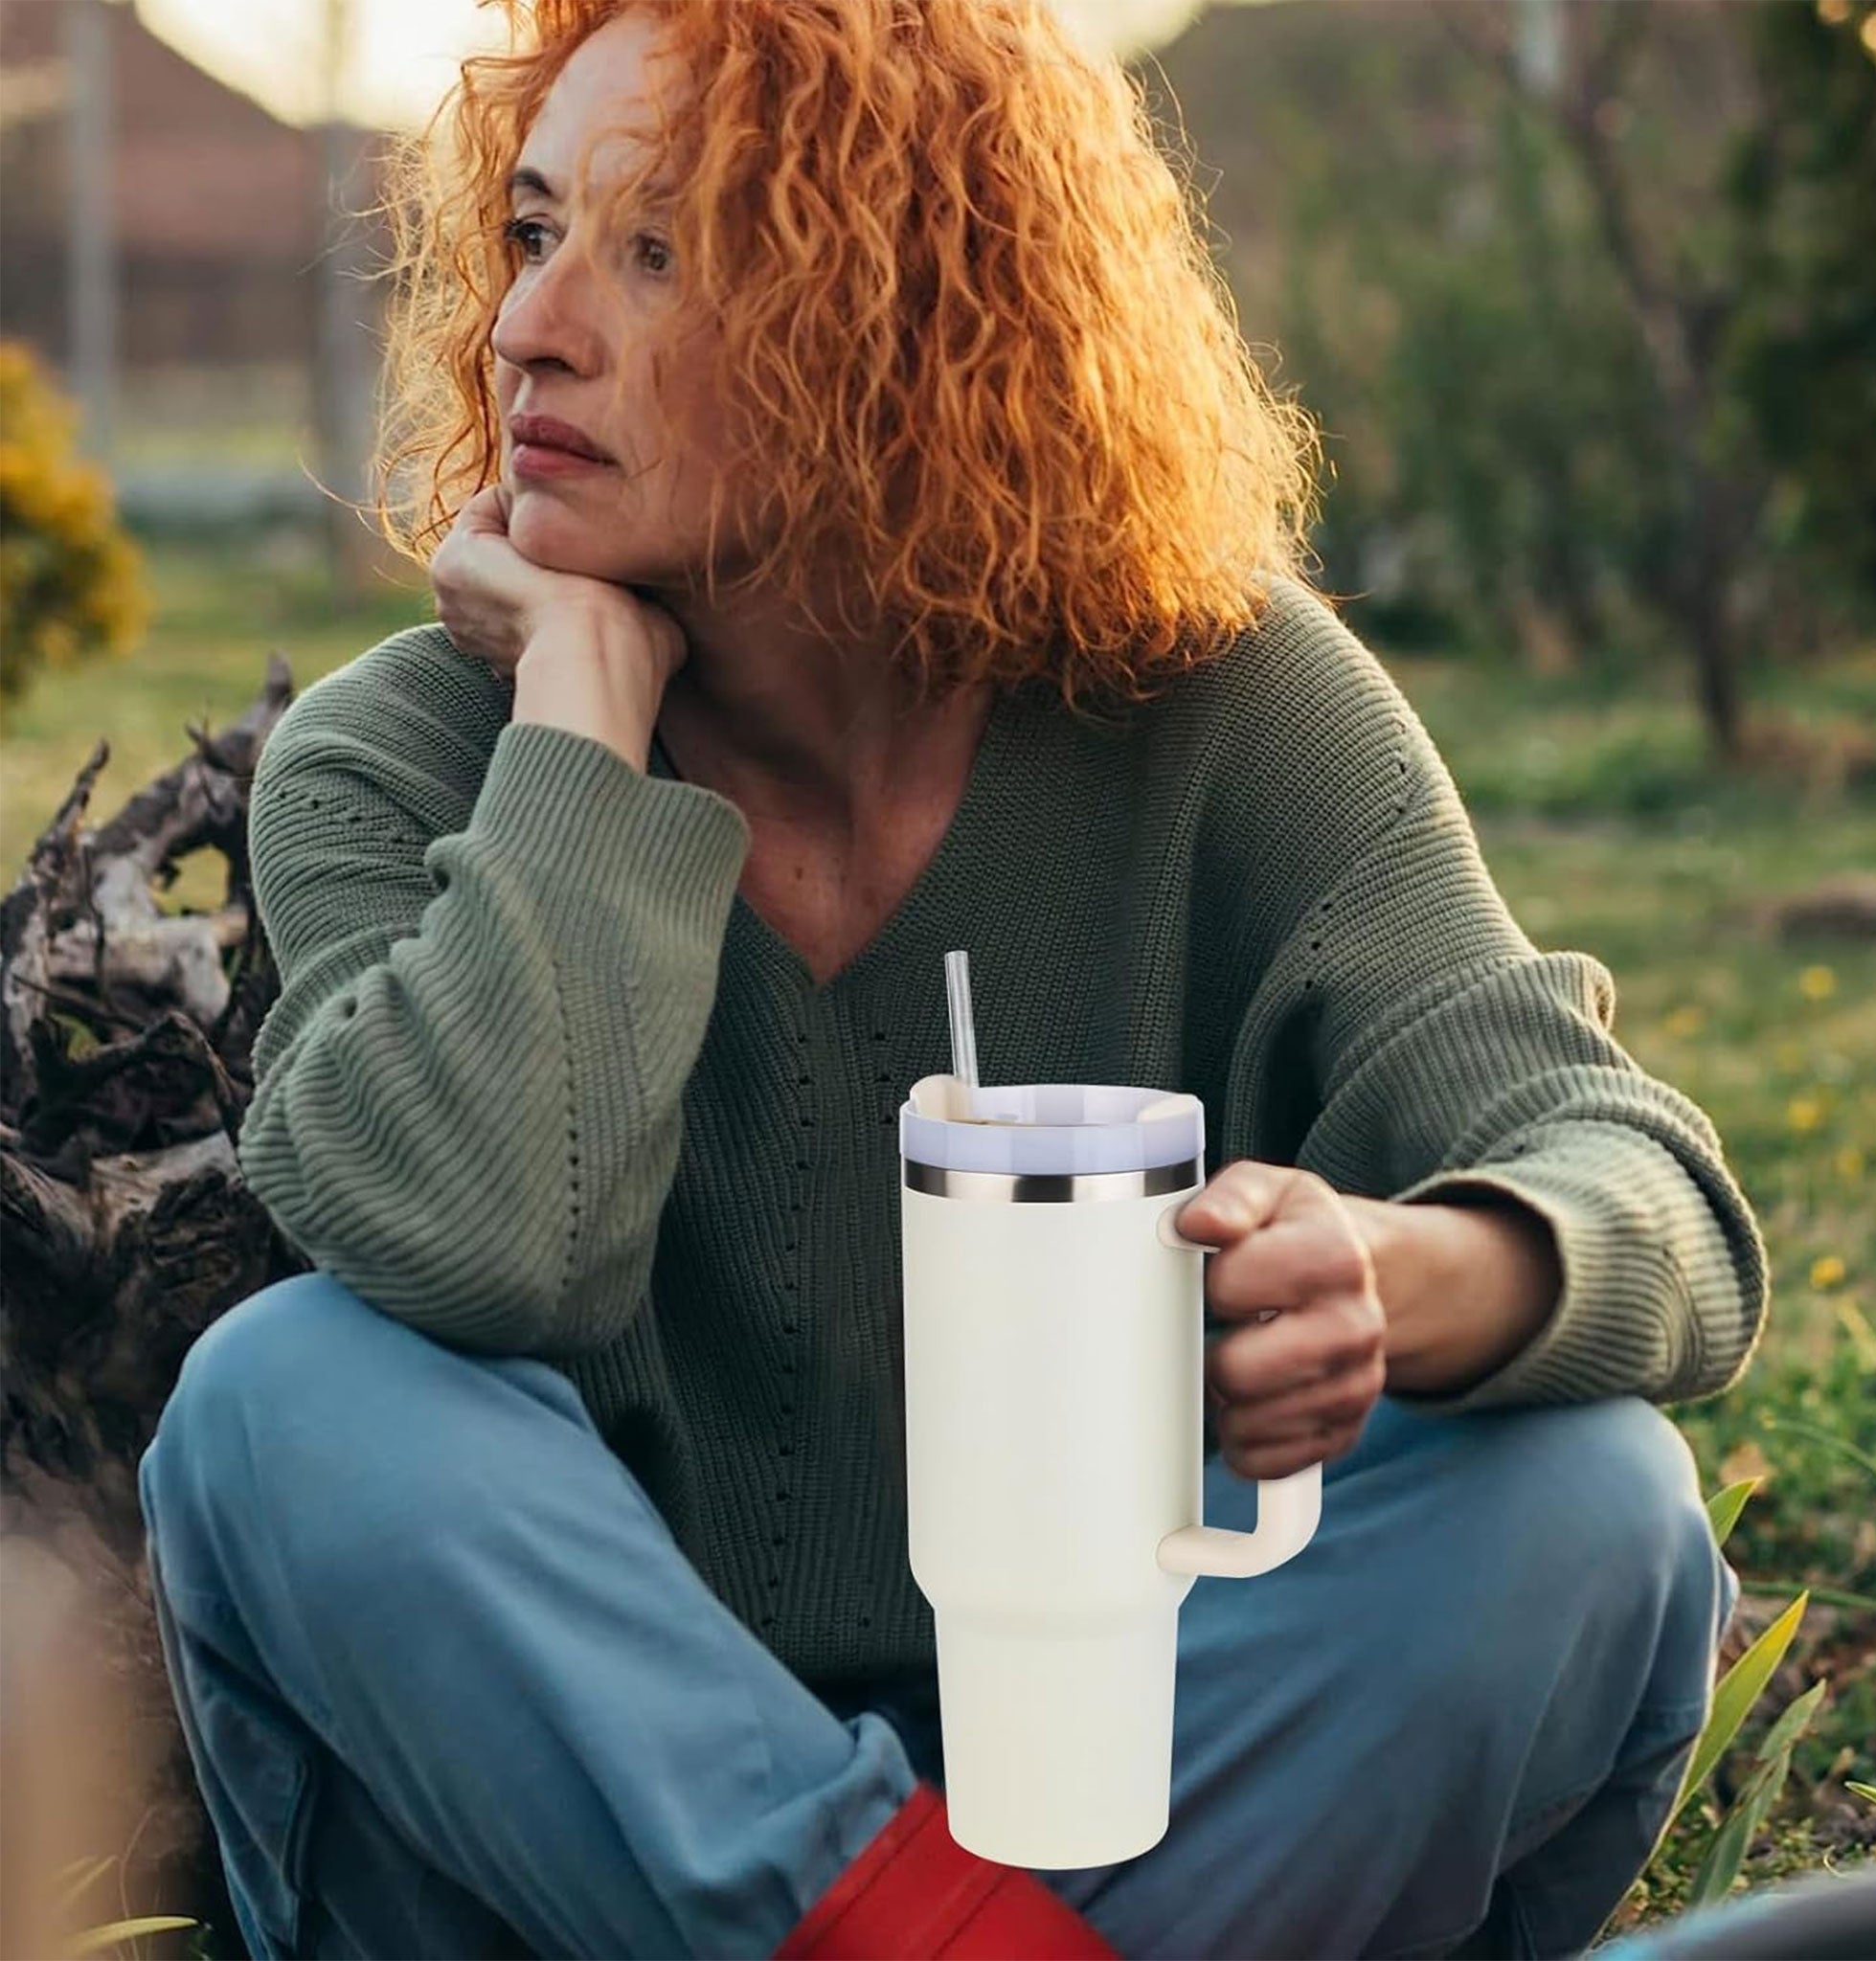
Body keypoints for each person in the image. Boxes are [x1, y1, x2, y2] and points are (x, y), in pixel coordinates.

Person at [137, 3, 1769, 1956]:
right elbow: (484, 1251)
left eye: (657, 252)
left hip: (1121, 1795)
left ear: (898, 318)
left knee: (1587, 1496)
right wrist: (578, 718)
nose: (529, 328)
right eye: (533, 230)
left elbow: (1655, 1204)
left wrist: (1391, 1275)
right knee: (288, 1400)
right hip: (591, 1839)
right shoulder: (395, 759)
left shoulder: (1227, 711)